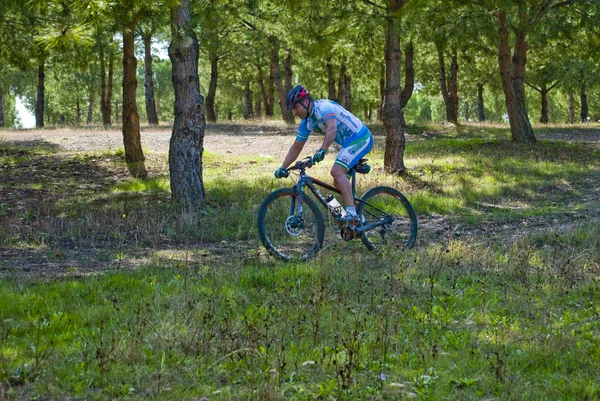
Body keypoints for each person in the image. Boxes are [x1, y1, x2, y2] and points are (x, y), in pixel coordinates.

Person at [274, 84, 373, 223]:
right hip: (348, 143)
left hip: (360, 137)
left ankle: (351, 213)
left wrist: (323, 150)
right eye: (293, 109)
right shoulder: (306, 123)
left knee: (336, 171)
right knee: (338, 182)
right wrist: (283, 167)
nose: (295, 112)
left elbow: (332, 130)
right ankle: (360, 221)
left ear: (306, 101)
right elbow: (296, 147)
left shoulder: (324, 107)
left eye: (296, 107)